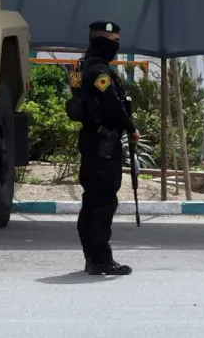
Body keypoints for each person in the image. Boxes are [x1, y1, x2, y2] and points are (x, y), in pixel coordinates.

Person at [71, 20, 138, 276]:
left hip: (91, 140)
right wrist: (131, 128)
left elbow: (78, 97)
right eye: (113, 42)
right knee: (102, 201)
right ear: (102, 41)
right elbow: (111, 105)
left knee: (92, 200)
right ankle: (100, 259)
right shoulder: (99, 72)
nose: (116, 47)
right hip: (103, 144)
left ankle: (93, 257)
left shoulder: (81, 68)